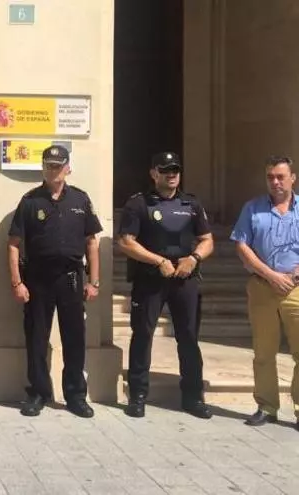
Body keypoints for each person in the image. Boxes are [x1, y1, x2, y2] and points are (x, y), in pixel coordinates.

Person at [117, 151, 214, 419]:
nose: (171, 174)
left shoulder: (191, 203)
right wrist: (158, 260)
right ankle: (137, 396)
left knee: (189, 338)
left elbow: (207, 239)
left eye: (175, 170)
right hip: (150, 279)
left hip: (184, 279)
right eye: (165, 170)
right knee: (142, 336)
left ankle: (193, 397)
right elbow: (125, 242)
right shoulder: (138, 204)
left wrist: (194, 259)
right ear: (153, 173)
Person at [7, 145, 102, 418]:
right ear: (43, 168)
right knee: (37, 337)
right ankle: (38, 393)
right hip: (38, 278)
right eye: (49, 165)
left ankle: (75, 396)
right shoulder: (30, 201)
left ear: (67, 168)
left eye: (58, 166)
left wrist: (94, 281)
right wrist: (17, 283)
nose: (53, 170)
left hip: (71, 278)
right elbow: (13, 244)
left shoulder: (81, 200)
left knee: (75, 338)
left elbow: (91, 243)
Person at [230, 155, 299, 428]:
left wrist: (294, 275)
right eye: (270, 177)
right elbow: (242, 246)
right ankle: (267, 406)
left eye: (281, 176)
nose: (275, 182)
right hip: (262, 287)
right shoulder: (252, 208)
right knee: (264, 352)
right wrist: (271, 275)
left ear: (292, 178)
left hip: (296, 289)